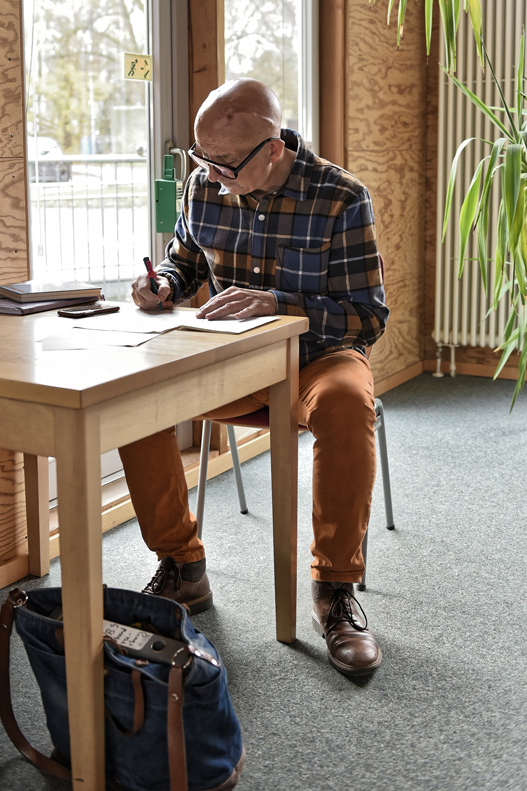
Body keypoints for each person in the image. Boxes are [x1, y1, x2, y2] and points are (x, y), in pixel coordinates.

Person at [119, 78, 389, 677]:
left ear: (272, 149)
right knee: (134, 396)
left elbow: (368, 316)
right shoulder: (204, 185)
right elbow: (185, 262)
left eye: (223, 164)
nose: (210, 175)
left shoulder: (341, 197)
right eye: (202, 158)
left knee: (347, 406)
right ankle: (182, 566)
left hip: (318, 356)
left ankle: (334, 591)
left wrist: (280, 304)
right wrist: (163, 284)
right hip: (231, 360)